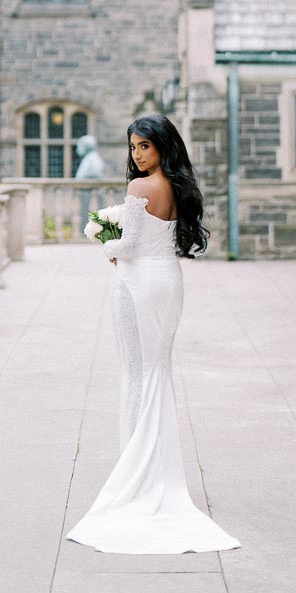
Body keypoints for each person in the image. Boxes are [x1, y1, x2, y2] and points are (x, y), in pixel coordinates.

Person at [66, 114, 240, 554]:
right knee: (156, 370)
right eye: (132, 147)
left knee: (133, 372)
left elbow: (127, 247)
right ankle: (157, 468)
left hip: (136, 283)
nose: (137, 154)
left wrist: (104, 241)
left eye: (144, 145)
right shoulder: (179, 188)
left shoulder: (139, 189)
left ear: (162, 145)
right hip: (168, 281)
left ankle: (135, 467)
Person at [74, 133, 106, 233]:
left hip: (89, 191)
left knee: (89, 213)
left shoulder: (93, 159)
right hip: (85, 192)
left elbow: (94, 173)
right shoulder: (89, 158)